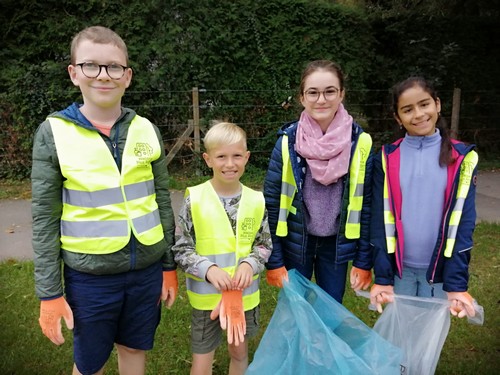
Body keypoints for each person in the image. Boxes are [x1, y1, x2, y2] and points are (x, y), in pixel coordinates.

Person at [31, 26, 178, 375]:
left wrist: (168, 266)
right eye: (91, 65)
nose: (103, 76)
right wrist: (50, 292)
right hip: (90, 277)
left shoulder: (146, 128)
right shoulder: (53, 133)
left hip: (146, 271)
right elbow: (43, 219)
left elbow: (161, 201)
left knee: (134, 349)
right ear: (73, 73)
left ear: (127, 77)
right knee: (89, 363)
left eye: (113, 67)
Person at [263, 59, 373, 303]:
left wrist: (364, 259)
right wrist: (275, 260)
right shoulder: (287, 142)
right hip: (296, 241)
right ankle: (300, 344)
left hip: (336, 245)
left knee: (331, 307)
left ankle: (325, 343)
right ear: (302, 98)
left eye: (330, 91)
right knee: (295, 308)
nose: (321, 99)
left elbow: (366, 205)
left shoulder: (360, 143)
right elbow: (271, 204)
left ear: (342, 94)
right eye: (313, 92)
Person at [369, 76, 477, 319]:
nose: (418, 114)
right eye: (407, 109)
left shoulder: (462, 159)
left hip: (439, 269)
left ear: (437, 104)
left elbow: (464, 224)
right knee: (401, 337)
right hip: (400, 270)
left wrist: (457, 284)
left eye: (424, 104)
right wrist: (383, 278)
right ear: (397, 117)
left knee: (428, 341)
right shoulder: (386, 158)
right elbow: (378, 220)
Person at [172, 122, 272, 375]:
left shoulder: (257, 201)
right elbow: (182, 248)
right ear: (208, 159)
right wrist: (208, 269)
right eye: (221, 157)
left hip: (244, 297)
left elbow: (264, 244)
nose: (230, 164)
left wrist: (250, 263)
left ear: (247, 157)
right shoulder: (194, 198)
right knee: (202, 358)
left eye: (237, 155)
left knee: (239, 353)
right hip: (207, 299)